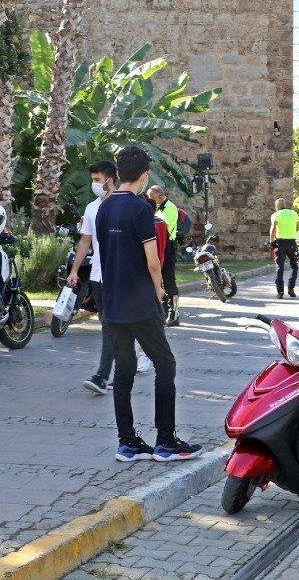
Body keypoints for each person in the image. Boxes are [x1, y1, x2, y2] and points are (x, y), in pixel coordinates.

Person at [96, 146, 202, 462]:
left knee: (125, 368)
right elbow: (153, 262)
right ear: (143, 176)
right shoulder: (142, 209)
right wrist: (158, 290)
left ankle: (127, 442)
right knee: (165, 363)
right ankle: (166, 442)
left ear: (117, 175)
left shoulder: (104, 209)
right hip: (140, 301)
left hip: (112, 301)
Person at [69, 161, 118, 395]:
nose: (94, 184)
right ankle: (124, 367)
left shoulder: (125, 205)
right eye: (93, 179)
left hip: (119, 276)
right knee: (109, 323)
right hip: (98, 276)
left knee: (109, 324)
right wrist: (74, 270)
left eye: (97, 179)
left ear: (110, 180)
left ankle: (102, 376)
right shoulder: (91, 208)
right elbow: (85, 241)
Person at [147, 185, 181, 327]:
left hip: (168, 246)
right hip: (159, 245)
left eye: (152, 199)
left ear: (160, 197)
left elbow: (163, 227)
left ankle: (174, 314)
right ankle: (164, 312)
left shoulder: (169, 208)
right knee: (158, 280)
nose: (151, 202)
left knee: (169, 281)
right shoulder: (158, 207)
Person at [268, 198, 299, 299]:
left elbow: (273, 228)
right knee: (294, 266)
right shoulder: (293, 213)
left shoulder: (275, 215)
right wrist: (290, 231)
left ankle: (280, 292)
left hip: (280, 243)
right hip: (292, 243)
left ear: (276, 207)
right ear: (285, 205)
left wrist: (272, 242)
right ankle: (291, 288)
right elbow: (298, 227)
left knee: (279, 267)